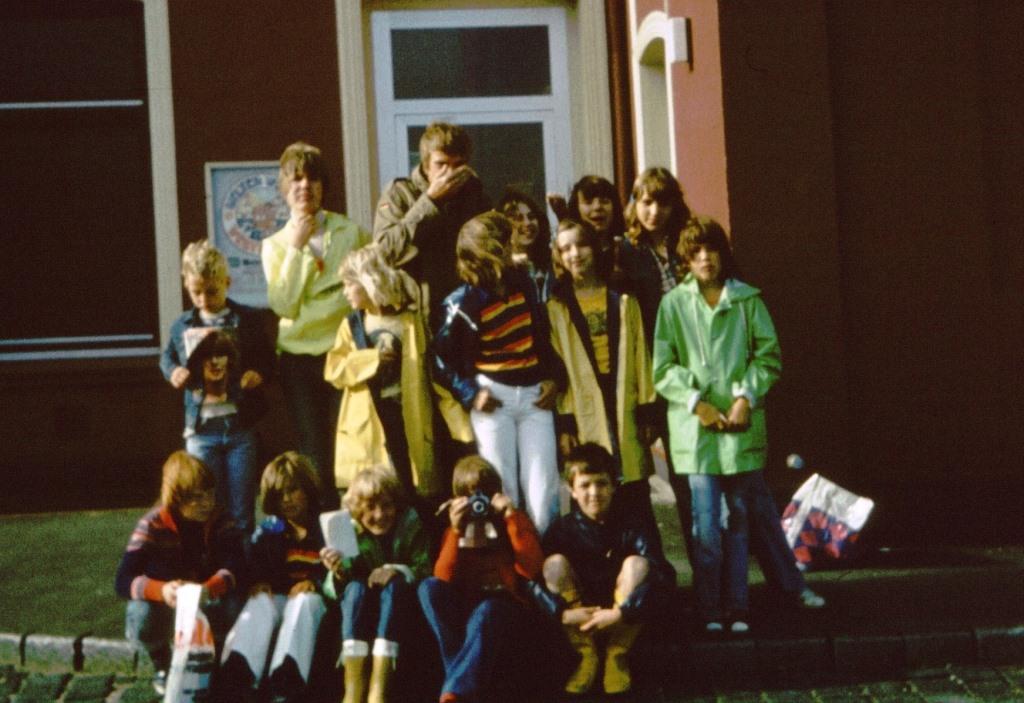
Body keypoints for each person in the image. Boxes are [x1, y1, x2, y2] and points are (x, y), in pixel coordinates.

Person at [652, 215, 823, 634]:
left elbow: (767, 357)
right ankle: (710, 608)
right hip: (696, 433)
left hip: (739, 429)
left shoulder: (748, 301)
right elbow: (663, 366)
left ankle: (740, 607)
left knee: (741, 517)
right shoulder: (674, 304)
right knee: (704, 523)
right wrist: (696, 403)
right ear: (686, 260)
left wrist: (747, 396)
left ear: (723, 255)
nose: (705, 258)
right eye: (696, 253)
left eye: (712, 250)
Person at [432, 212, 566, 534]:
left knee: (543, 486)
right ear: (488, 251)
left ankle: (545, 561)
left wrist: (554, 378)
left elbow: (542, 338)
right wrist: (469, 393)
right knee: (501, 488)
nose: (515, 246)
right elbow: (439, 359)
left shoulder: (526, 282)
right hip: (494, 398)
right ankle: (510, 567)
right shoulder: (461, 303)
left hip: (534, 395)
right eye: (506, 242)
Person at [262, 141, 371, 508]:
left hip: (344, 353)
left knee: (351, 446)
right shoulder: (274, 245)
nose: (304, 186)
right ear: (284, 187)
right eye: (296, 179)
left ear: (324, 185)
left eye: (312, 178)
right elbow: (284, 304)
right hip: (299, 360)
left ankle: (360, 530)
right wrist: (296, 248)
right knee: (314, 453)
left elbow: (367, 286)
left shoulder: (350, 232)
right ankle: (324, 538)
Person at [416, 456, 570, 703]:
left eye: (485, 493)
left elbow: (531, 568)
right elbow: (442, 577)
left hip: (505, 608)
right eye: (470, 494)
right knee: (428, 587)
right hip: (468, 611)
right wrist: (456, 531)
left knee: (488, 609)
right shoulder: (454, 529)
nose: (479, 501)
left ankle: (454, 690)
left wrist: (510, 517)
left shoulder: (512, 521)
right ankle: (458, 687)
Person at [547, 218, 660, 544]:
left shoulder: (622, 299)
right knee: (592, 484)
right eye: (565, 248)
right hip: (583, 404)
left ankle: (647, 561)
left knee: (634, 487)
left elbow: (640, 355)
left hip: (622, 395)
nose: (574, 254)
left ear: (595, 248)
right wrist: (565, 423)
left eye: (580, 245)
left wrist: (647, 408)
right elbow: (559, 370)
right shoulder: (556, 307)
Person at [542, 443, 676, 696]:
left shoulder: (633, 524)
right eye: (585, 485)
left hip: (621, 617)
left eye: (602, 484)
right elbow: (532, 583)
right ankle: (586, 656)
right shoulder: (561, 529)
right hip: (580, 619)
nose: (594, 493)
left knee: (637, 564)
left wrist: (622, 612)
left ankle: (617, 655)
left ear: (614, 485)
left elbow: (664, 574)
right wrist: (562, 613)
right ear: (571, 490)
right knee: (552, 564)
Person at [160, 240, 273, 535]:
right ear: (187, 285)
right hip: (201, 431)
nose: (204, 299)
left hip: (240, 428)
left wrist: (257, 373)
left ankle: (243, 569)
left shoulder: (247, 320)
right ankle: (213, 567)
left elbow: (268, 359)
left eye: (212, 291)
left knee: (241, 507)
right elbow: (167, 357)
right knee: (204, 505)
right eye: (196, 292)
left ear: (227, 282)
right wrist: (174, 372)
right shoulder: (182, 325)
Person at [114, 451, 244, 695]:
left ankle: (216, 657)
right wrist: (160, 590)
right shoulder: (152, 524)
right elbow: (123, 579)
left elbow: (237, 564)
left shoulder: (220, 519)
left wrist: (211, 586)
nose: (207, 502)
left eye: (210, 493)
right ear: (176, 497)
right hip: (167, 604)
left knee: (236, 605)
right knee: (141, 612)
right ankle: (161, 660)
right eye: (197, 497)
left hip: (207, 598)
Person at [324, 245, 440, 503]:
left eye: (348, 284)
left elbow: (431, 370)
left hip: (407, 416)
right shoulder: (352, 324)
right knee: (372, 490)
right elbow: (334, 371)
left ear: (369, 281)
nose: (345, 292)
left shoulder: (410, 321)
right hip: (369, 421)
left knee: (409, 485)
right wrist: (371, 359)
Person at [218, 452, 331, 702]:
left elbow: (342, 569)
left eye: (293, 491)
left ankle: (287, 676)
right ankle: (241, 672)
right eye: (280, 495)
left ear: (307, 489)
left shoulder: (325, 524)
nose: (287, 500)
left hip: (316, 602)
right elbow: (256, 563)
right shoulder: (271, 529)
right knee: (260, 602)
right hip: (283, 597)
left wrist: (315, 583)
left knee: (304, 602)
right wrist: (259, 582)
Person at [321, 466, 432, 703]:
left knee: (395, 586)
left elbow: (426, 570)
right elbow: (334, 591)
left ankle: (378, 690)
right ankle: (353, 689)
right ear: (358, 512)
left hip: (402, 613)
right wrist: (338, 571)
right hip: (362, 615)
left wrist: (396, 570)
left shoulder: (410, 524)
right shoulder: (350, 533)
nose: (380, 514)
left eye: (386, 505)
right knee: (355, 588)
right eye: (370, 508)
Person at [373, 122, 491, 332]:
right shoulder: (400, 194)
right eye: (441, 164)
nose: (450, 173)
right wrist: (429, 202)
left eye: (458, 164)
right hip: (418, 318)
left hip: (467, 316)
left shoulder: (474, 195)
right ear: (426, 166)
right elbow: (383, 252)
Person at [496, 189, 554, 303]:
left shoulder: (551, 262)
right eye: (518, 218)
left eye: (531, 216)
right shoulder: (498, 270)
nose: (527, 223)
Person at [547, 175, 626, 259]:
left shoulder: (627, 250)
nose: (597, 207)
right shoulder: (571, 255)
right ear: (576, 208)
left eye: (604, 201)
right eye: (588, 202)